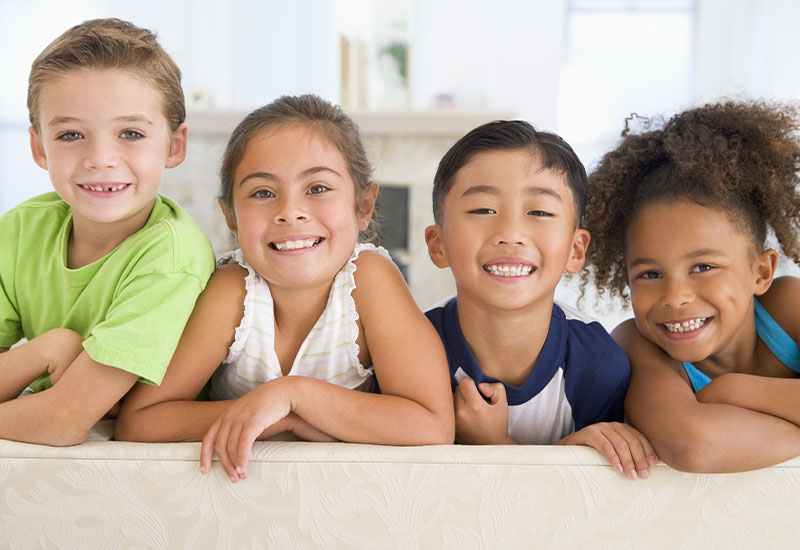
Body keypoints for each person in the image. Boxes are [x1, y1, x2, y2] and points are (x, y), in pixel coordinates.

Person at [115, 94, 455, 482]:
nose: (290, 211)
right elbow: (140, 421)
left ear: (363, 205)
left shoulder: (368, 280)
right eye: (262, 193)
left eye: (318, 188)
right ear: (231, 217)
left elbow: (432, 425)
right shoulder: (233, 292)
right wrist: (281, 418)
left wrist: (293, 396)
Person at [0, 19, 215, 445]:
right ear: (40, 147)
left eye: (130, 133)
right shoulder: (22, 229)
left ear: (174, 146)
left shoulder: (170, 260)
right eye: (71, 134)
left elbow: (63, 420)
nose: (100, 158)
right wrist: (45, 349)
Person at [424, 120, 657, 480]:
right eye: (483, 210)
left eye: (540, 213)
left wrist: (494, 443)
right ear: (438, 244)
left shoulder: (598, 366)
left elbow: (585, 503)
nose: (511, 234)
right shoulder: (409, 347)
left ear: (576, 249)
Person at [583, 101, 800, 473]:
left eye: (703, 266)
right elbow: (694, 445)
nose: (675, 297)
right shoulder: (635, 344)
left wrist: (733, 391)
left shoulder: (788, 306)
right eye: (650, 274)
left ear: (761, 272)